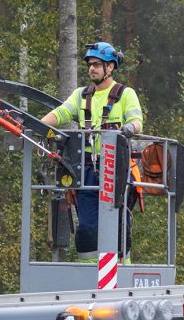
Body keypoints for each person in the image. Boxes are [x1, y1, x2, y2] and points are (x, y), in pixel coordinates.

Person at [41, 41, 144, 262]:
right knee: (87, 227)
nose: (91, 68)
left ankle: (121, 268)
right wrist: (39, 125)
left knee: (118, 224)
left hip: (116, 168)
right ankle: (89, 270)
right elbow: (60, 113)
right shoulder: (81, 95)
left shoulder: (125, 94)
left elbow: (137, 121)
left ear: (110, 67)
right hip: (87, 169)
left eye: (97, 64)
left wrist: (129, 129)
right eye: (89, 64)